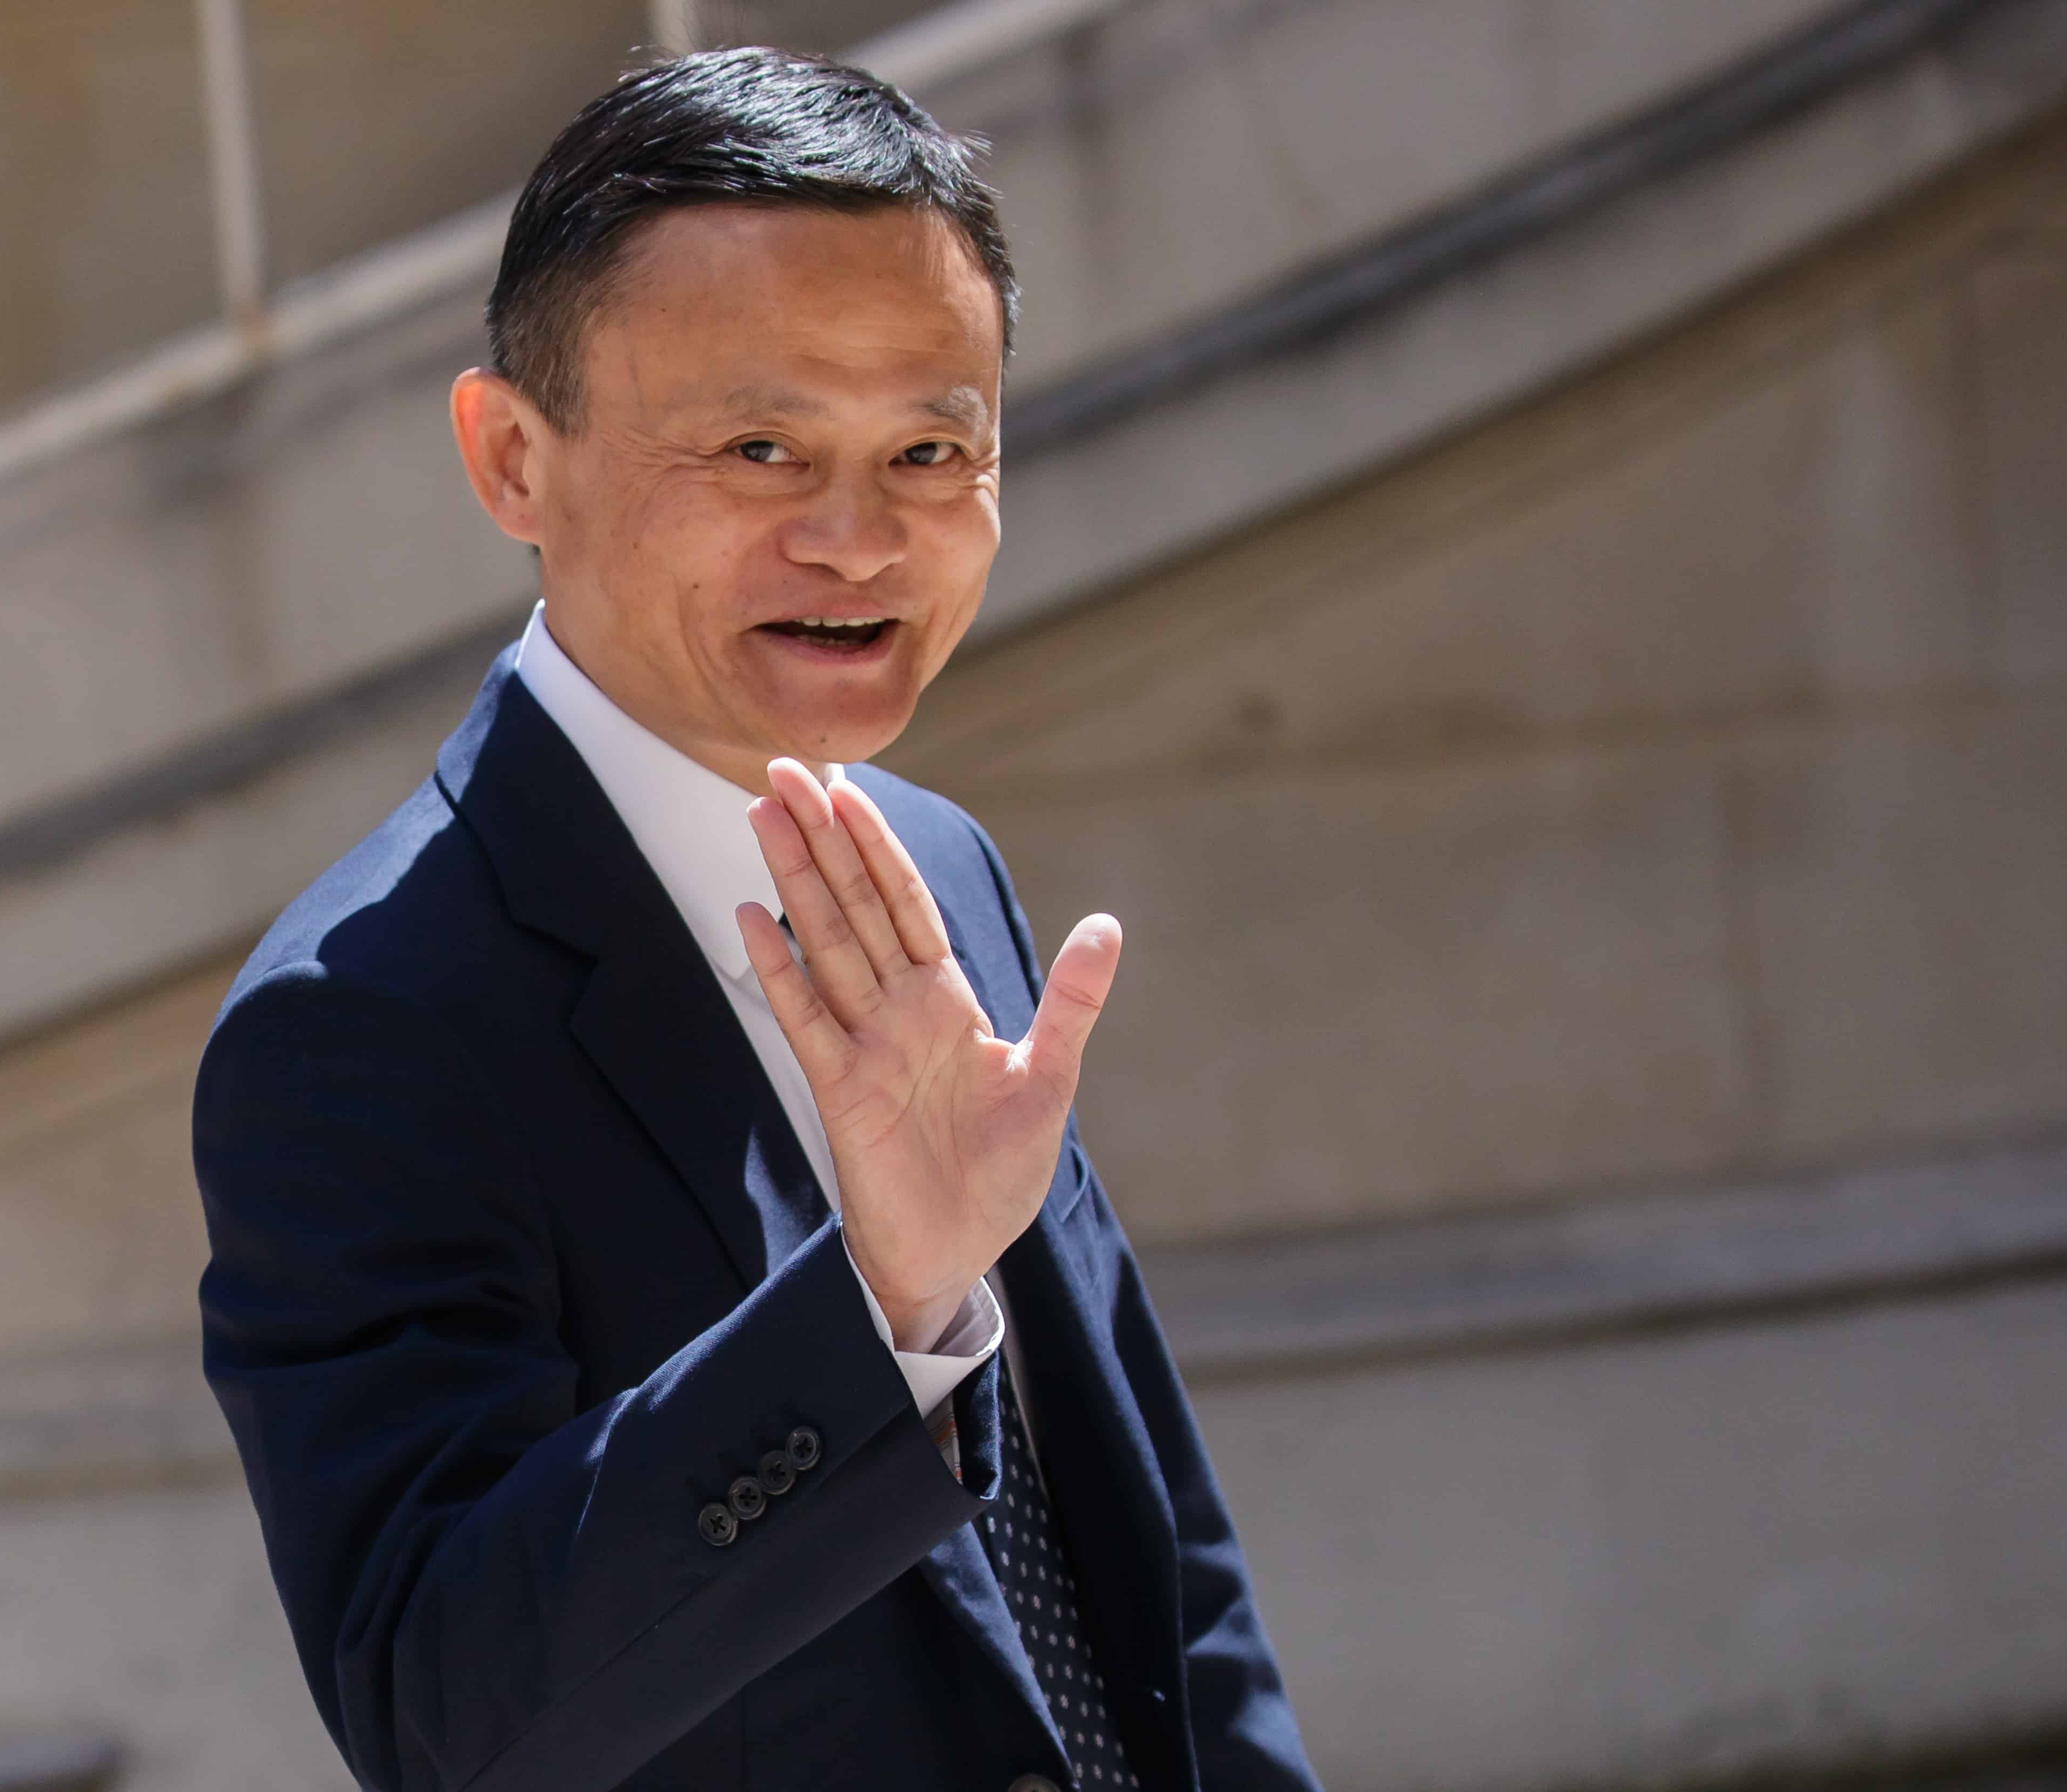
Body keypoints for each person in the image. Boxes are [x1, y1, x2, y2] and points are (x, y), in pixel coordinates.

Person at [192, 45, 1323, 1792]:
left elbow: (1156, 1555)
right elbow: (442, 1717)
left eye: (931, 450)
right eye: (760, 448)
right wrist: (881, 1309)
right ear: (513, 461)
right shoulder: (363, 1019)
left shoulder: (939, 865)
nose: (860, 542)